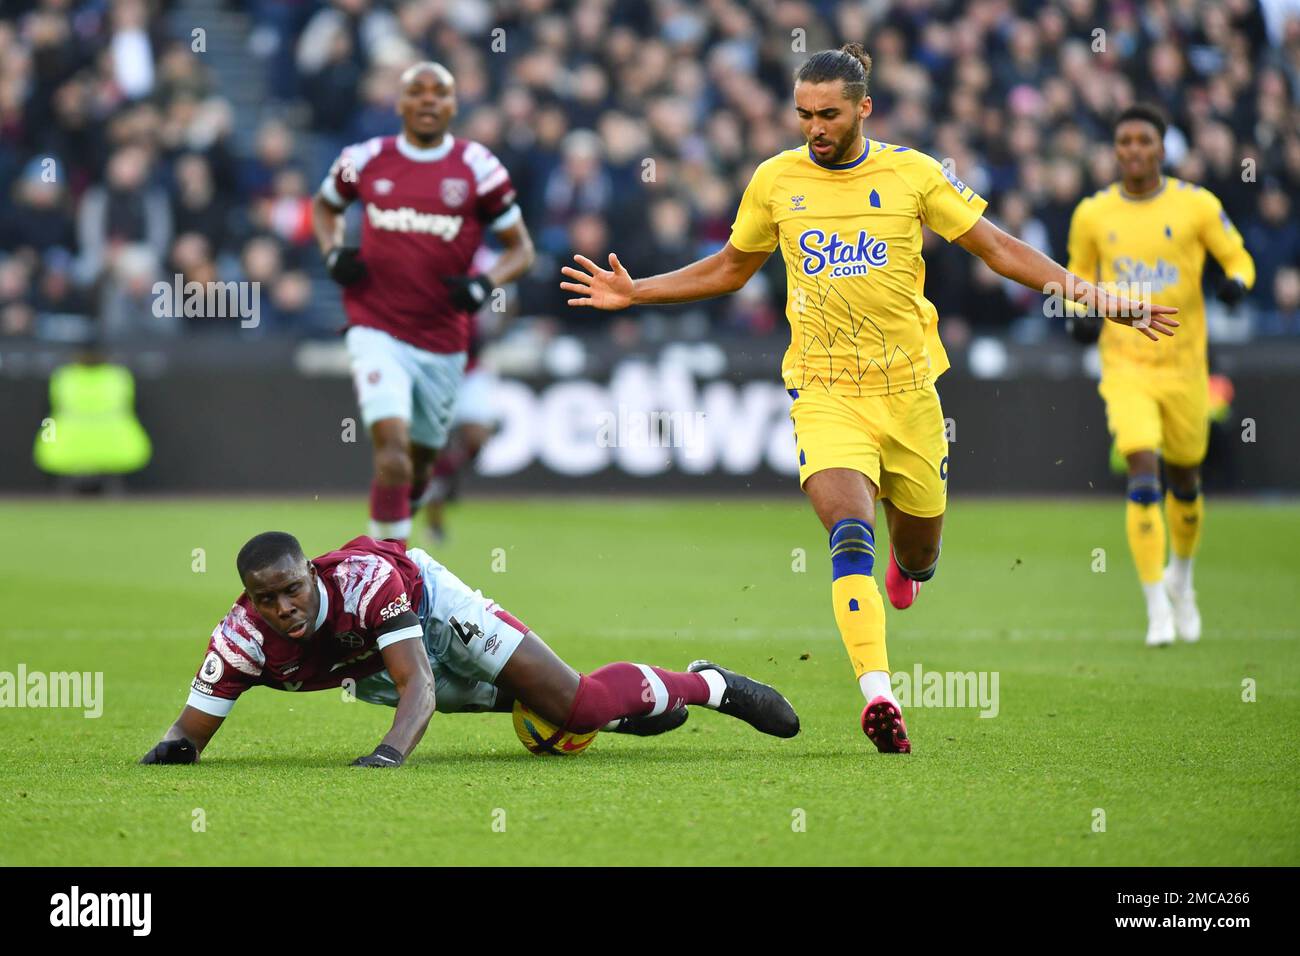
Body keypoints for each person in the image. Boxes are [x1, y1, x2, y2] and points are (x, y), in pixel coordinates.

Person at [561, 44, 1177, 754]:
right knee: (848, 530)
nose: (814, 128)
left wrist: (1098, 299)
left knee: (918, 554)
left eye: (828, 114)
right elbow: (733, 267)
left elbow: (1001, 250)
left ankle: (908, 571)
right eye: (803, 114)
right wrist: (639, 290)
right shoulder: (776, 180)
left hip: (910, 394)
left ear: (863, 108)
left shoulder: (912, 174)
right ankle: (878, 693)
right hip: (825, 391)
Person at [139, 532, 799, 766]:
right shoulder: (240, 643)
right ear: (249, 601)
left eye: (292, 590)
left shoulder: (364, 582)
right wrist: (172, 752)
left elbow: (416, 686)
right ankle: (631, 711)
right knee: (536, 706)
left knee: (575, 705)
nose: (284, 608)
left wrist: (388, 755)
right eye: (266, 600)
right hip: (366, 666)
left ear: (312, 574)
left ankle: (709, 684)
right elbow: (187, 736)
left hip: (428, 607)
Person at [312, 61, 535, 543]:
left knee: (418, 465)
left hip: (443, 340)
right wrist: (332, 253)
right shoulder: (365, 157)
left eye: (440, 92)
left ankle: (401, 532)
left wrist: (484, 283)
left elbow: (522, 250)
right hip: (376, 327)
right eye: (418, 91)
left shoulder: (479, 167)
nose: (429, 100)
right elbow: (325, 206)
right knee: (390, 449)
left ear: (454, 105)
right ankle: (386, 573)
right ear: (400, 103)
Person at [1065, 104, 1255, 647]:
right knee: (1142, 467)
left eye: (1143, 140)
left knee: (1186, 479)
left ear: (1162, 147)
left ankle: (1183, 579)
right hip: (1125, 366)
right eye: (1123, 141)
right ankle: (1156, 609)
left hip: (1185, 368)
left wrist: (1235, 286)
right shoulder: (1093, 214)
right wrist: (1080, 320)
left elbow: (1238, 258)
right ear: (1115, 150)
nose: (1133, 150)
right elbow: (1076, 281)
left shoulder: (1196, 205)